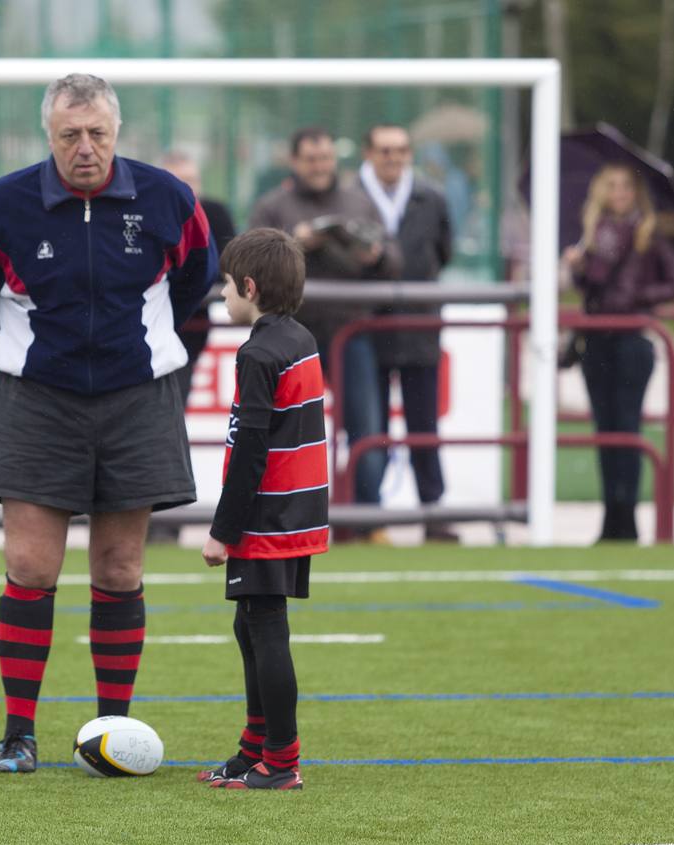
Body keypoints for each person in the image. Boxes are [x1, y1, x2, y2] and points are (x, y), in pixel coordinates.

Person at [0, 73, 216, 774]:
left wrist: (137, 345)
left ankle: (112, 729)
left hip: (137, 398)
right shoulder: (0, 204)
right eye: (70, 136)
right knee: (30, 568)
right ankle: (18, 733)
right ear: (49, 135)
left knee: (120, 570)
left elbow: (195, 281)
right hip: (36, 398)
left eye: (96, 134)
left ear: (116, 133)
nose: (84, 148)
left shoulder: (168, 199)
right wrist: (25, 339)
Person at [199, 228, 327, 791]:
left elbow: (251, 449)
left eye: (227, 286)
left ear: (249, 287)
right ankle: (256, 747)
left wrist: (221, 531)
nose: (223, 296)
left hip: (267, 515)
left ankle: (280, 759)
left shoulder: (257, 353)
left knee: (266, 627)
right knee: (249, 624)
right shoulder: (299, 337)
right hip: (295, 510)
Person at [249, 126, 400, 540]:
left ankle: (369, 523)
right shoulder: (273, 206)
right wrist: (290, 243)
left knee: (366, 428)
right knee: (281, 430)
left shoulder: (358, 202)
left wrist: (376, 254)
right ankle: (276, 520)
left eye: (326, 159)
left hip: (350, 331)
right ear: (295, 161)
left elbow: (394, 259)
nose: (320, 167)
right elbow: (247, 260)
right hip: (287, 336)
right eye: (312, 159)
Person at [561, 164, 674, 543]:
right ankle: (609, 519)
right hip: (597, 339)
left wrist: (637, 299)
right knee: (604, 430)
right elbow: (590, 288)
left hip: (632, 338)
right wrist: (577, 267)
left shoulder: (649, 234)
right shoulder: (591, 235)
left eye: (627, 187)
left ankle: (627, 517)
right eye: (612, 186)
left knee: (628, 427)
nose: (620, 193)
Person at [357, 124, 456, 544]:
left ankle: (433, 512)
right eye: (384, 150)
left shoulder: (430, 198)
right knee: (367, 427)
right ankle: (367, 517)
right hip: (366, 329)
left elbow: (443, 251)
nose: (393, 158)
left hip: (418, 329)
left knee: (423, 425)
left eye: (400, 150)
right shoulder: (353, 198)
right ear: (369, 153)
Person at [157, 150, 238, 403]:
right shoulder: (147, 216)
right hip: (151, 322)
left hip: (192, 323)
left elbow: (230, 263)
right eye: (178, 180)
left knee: (176, 397)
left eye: (192, 180)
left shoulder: (214, 213)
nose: (187, 188)